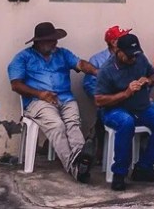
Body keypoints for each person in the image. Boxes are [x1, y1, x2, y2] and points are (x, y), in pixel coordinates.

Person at [8, 21, 98, 182]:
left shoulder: (62, 53)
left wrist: (97, 72)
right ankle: (76, 167)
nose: (55, 43)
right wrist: (40, 94)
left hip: (65, 98)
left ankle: (80, 157)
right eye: (51, 40)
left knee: (73, 123)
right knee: (57, 125)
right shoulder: (23, 58)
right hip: (38, 101)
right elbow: (16, 85)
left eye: (55, 39)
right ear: (39, 42)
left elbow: (81, 64)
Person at [94, 34, 154, 191]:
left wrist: (148, 81)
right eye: (129, 56)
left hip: (141, 107)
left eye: (135, 55)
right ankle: (119, 173)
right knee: (126, 122)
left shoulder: (139, 58)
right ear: (118, 51)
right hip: (114, 110)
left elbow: (152, 76)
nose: (133, 59)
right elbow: (99, 100)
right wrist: (126, 93)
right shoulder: (107, 70)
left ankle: (144, 168)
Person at [82, 25, 131, 100]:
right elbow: (90, 87)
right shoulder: (97, 60)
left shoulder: (133, 55)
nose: (128, 40)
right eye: (124, 38)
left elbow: (146, 76)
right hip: (111, 104)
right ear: (114, 42)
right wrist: (113, 97)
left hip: (135, 101)